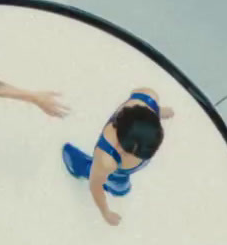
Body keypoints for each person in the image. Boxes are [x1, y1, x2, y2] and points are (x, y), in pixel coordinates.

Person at [62, 88, 173, 226]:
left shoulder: (149, 97)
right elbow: (95, 185)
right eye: (126, 151)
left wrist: (159, 111)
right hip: (109, 167)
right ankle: (81, 166)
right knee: (109, 181)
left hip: (125, 152)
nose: (121, 151)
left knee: (120, 187)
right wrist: (105, 212)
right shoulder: (107, 159)